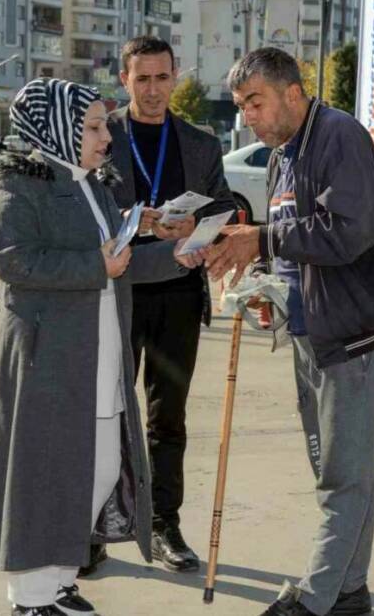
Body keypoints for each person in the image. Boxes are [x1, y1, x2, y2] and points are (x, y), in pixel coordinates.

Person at [0, 78, 206, 615]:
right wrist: (93, 266)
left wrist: (182, 256)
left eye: (104, 125)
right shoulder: (20, 184)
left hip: (100, 350)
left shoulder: (93, 185)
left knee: (98, 467)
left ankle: (58, 580)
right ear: (56, 127)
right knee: (45, 474)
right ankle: (30, 597)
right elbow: (13, 261)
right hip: (48, 357)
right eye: (94, 127)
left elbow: (119, 263)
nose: (107, 138)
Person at [205, 47, 374, 616]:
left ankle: (313, 602)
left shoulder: (340, 136)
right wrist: (265, 282)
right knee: (343, 473)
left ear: (294, 93)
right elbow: (293, 246)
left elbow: (350, 231)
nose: (248, 116)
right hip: (311, 333)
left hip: (356, 339)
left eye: (256, 102)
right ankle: (348, 591)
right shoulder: (280, 157)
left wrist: (262, 239)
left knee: (343, 479)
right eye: (242, 105)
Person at [86, 35, 238, 575]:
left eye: (162, 77)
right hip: (117, 295)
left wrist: (198, 226)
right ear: (124, 80)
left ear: (177, 77)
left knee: (166, 420)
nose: (152, 90)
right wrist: (139, 219)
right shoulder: (104, 134)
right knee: (106, 414)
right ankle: (96, 529)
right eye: (141, 79)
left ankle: (164, 524)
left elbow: (224, 203)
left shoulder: (200, 142)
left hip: (177, 294)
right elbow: (89, 201)